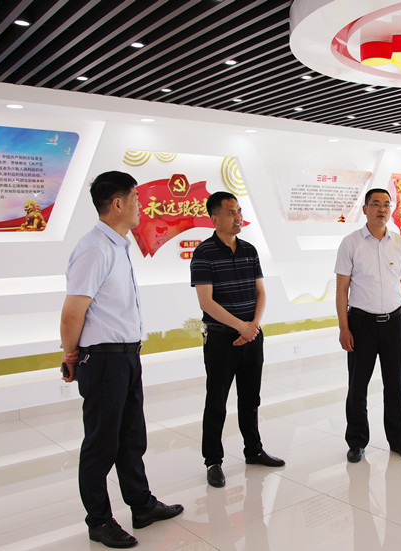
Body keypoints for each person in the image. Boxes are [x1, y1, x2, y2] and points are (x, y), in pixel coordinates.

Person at [60, 171, 183, 548]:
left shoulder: (117, 246)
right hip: (103, 361)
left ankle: (141, 505)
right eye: (135, 198)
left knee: (131, 437)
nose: (140, 206)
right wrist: (70, 354)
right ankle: (99, 520)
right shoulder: (94, 248)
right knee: (101, 444)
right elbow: (72, 312)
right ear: (117, 203)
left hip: (126, 358)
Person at [190, 191, 285, 489]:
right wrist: (240, 326)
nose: (238, 216)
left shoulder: (249, 250)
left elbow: (261, 292)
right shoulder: (204, 253)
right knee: (217, 401)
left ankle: (253, 450)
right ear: (214, 218)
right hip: (221, 339)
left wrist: (252, 327)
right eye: (231, 212)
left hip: (252, 336)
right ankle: (213, 461)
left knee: (250, 398)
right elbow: (206, 302)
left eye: (239, 211)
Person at [335, 188, 401, 463]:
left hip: (394, 322)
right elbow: (342, 289)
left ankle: (398, 439)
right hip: (361, 324)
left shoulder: (399, 243)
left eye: (386, 204)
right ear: (365, 209)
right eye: (376, 204)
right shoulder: (351, 243)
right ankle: (357, 441)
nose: (382, 209)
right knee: (357, 387)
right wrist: (344, 327)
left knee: (395, 385)